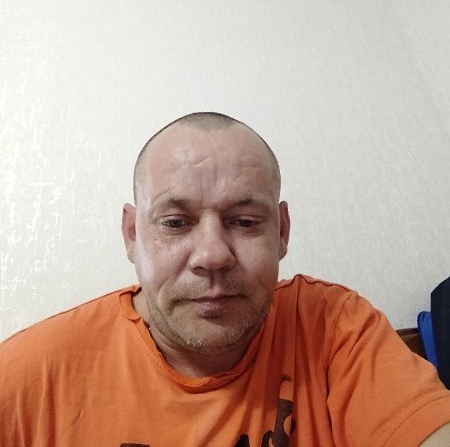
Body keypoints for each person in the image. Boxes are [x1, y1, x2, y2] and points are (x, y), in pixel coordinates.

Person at [1, 112, 450, 447]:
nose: (212, 255)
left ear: (282, 232)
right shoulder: (25, 378)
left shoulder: (334, 329)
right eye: (175, 223)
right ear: (132, 235)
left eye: (245, 221)